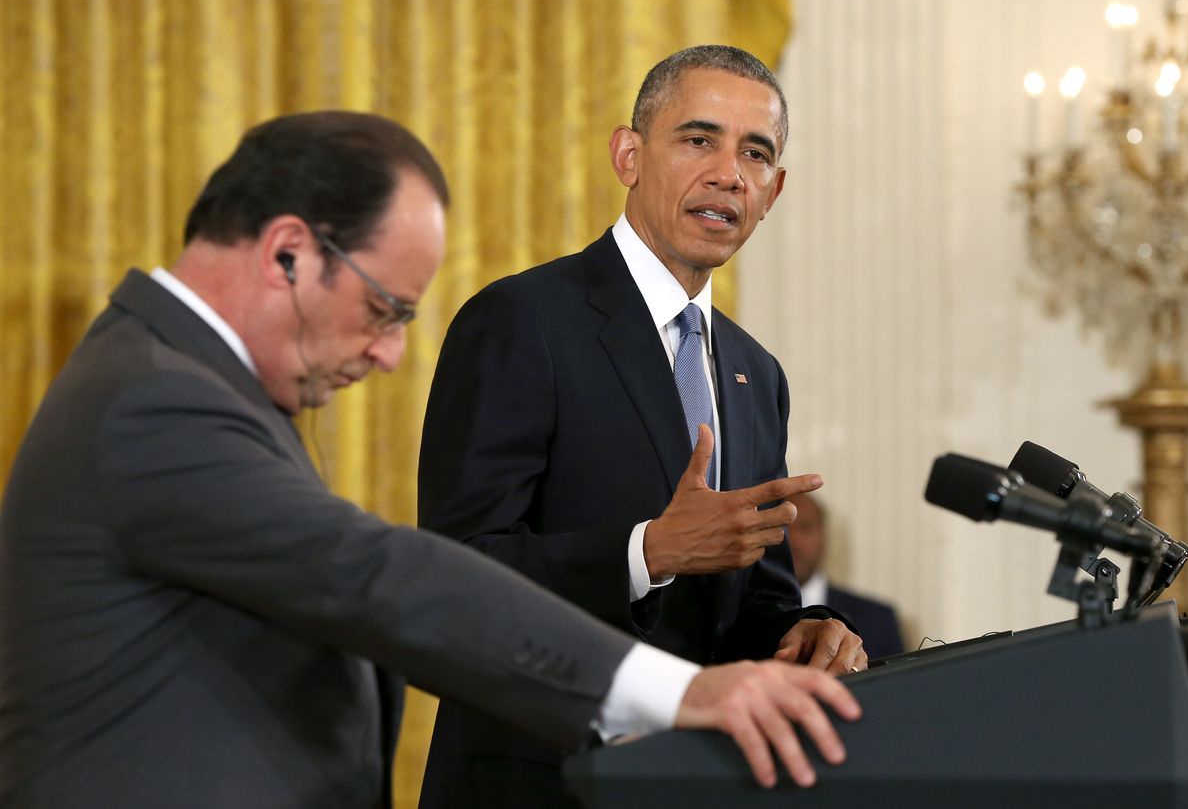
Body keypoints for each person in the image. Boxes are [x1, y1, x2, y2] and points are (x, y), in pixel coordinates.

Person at [0, 111, 861, 809]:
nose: (387, 356)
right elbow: (379, 572)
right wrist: (678, 691)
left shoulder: (178, 378)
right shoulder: (157, 402)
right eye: (385, 309)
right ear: (287, 252)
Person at [417, 45, 866, 807]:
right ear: (629, 154)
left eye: (755, 153)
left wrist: (808, 630)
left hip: (704, 782)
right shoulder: (522, 321)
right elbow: (454, 577)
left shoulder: (758, 374)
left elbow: (754, 597)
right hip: (544, 781)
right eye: (699, 139)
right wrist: (646, 551)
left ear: (774, 189)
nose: (729, 171)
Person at [789, 494, 906, 659]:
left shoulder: (878, 619)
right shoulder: (742, 616)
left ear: (824, 536)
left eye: (805, 527)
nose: (794, 541)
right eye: (783, 528)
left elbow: (897, 684)